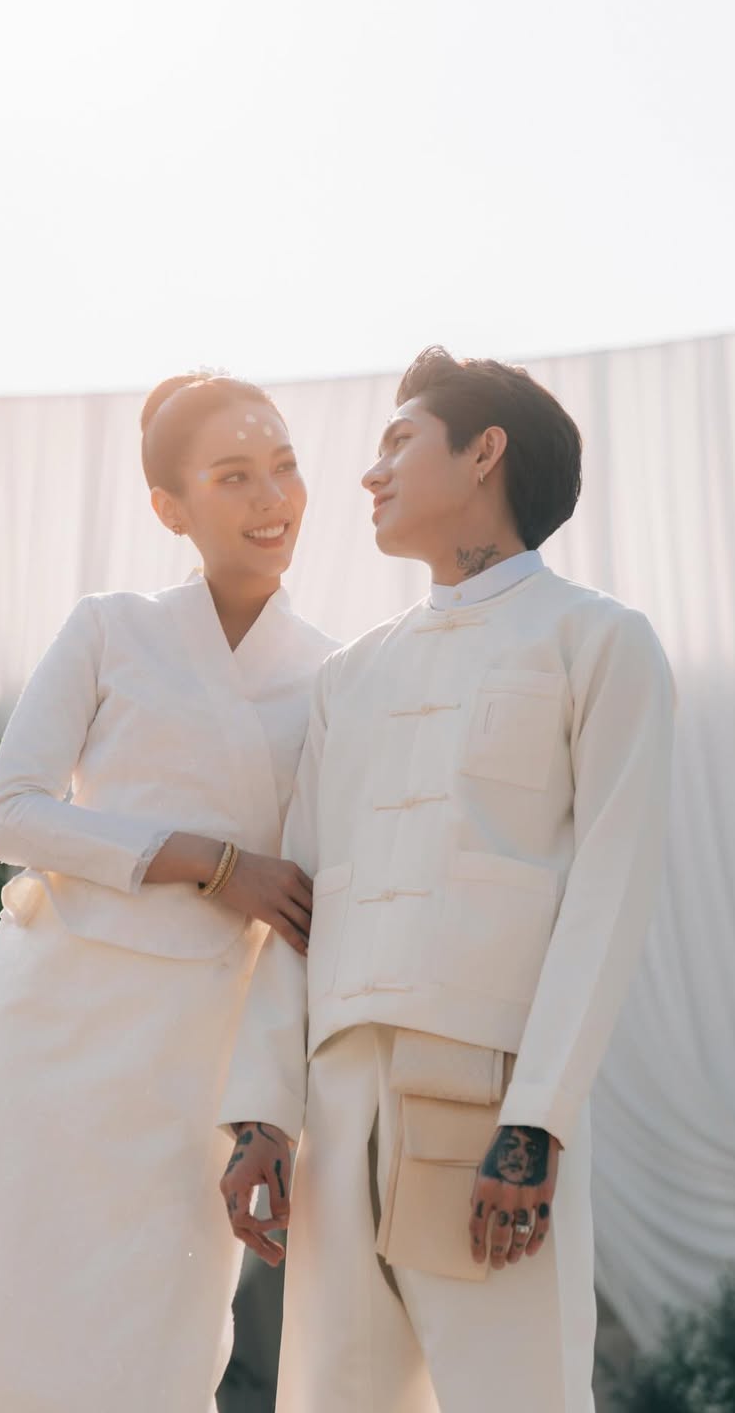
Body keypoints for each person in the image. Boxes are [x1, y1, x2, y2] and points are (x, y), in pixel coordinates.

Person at [218, 347, 676, 1412]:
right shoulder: (349, 675)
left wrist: (538, 1119)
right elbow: (298, 901)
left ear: (484, 452)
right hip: (336, 1107)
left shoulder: (598, 642)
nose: (369, 472)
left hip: (490, 1103)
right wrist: (261, 1116)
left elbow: (608, 896)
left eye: (398, 442)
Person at [0, 373, 337, 1413]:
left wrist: (269, 1115)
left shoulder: (334, 675)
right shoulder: (109, 627)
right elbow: (14, 814)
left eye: (283, 467)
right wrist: (212, 861)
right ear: (170, 508)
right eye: (233, 476)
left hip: (191, 1059)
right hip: (46, 1032)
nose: (272, 497)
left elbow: (304, 910)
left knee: (152, 1346)